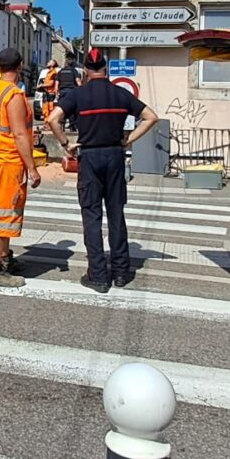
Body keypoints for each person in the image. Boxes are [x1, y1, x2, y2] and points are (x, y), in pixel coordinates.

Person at [46, 48, 159, 293]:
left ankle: (97, 274)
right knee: (116, 214)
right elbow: (151, 117)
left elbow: (53, 119)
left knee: (92, 216)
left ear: (86, 70)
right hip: (115, 156)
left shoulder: (78, 95)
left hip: (90, 158)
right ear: (105, 69)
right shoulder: (120, 94)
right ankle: (121, 271)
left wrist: (67, 144)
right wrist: (129, 140)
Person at [0, 48, 42, 287]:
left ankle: (5, 259)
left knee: (1, 213)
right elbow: (18, 133)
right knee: (3, 217)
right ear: (20, 66)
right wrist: (32, 168)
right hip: (8, 163)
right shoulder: (14, 96)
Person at [54, 56, 82, 131]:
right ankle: (72, 127)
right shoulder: (74, 71)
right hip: (72, 92)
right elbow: (78, 82)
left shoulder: (60, 72)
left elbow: (56, 85)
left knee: (62, 109)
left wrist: (56, 94)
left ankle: (62, 126)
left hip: (62, 92)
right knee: (72, 110)